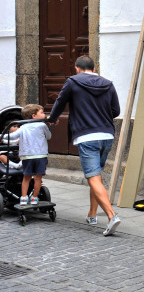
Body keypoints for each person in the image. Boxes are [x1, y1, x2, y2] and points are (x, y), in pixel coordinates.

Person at [50, 55, 122, 236]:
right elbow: (116, 111)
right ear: (94, 67)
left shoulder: (72, 82)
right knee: (96, 175)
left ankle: (112, 216)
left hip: (86, 135)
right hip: (106, 134)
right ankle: (92, 214)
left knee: (93, 178)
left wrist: (52, 119)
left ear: (77, 68)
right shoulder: (108, 83)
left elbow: (60, 102)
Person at [9, 105, 52, 205]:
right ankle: (34, 198)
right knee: (38, 178)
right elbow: (49, 137)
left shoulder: (23, 127)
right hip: (41, 156)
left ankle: (23, 198)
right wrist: (49, 127)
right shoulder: (43, 126)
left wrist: (2, 136)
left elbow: (13, 136)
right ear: (34, 116)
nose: (44, 114)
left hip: (27, 156)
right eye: (41, 112)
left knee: (26, 177)